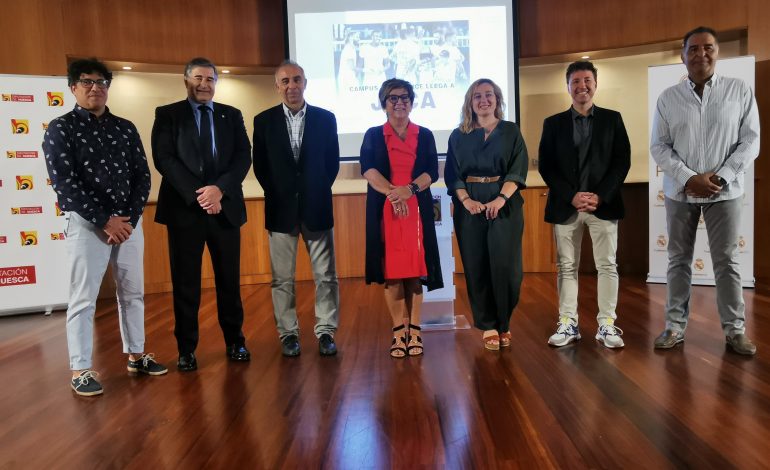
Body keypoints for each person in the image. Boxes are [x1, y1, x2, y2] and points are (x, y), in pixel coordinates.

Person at [42, 58, 167, 396]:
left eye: (101, 82)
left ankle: (137, 355)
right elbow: (64, 182)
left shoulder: (125, 127)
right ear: (73, 87)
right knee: (83, 299)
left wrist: (127, 220)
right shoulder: (60, 128)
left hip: (127, 223)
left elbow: (142, 176)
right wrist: (104, 220)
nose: (95, 88)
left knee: (133, 293)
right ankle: (81, 369)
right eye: (87, 82)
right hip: (87, 225)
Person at [651, 26, 760, 355]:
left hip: (725, 193)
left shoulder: (739, 91)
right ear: (683, 55)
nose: (701, 54)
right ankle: (674, 326)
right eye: (693, 49)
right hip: (680, 192)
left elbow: (750, 140)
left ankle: (735, 330)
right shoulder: (668, 98)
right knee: (678, 260)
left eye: (708, 48)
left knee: (726, 260)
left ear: (717, 52)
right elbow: (659, 146)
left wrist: (722, 176)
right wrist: (688, 177)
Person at [151, 57, 252, 371]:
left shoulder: (231, 115)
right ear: (186, 80)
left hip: (225, 210)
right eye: (198, 77)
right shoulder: (167, 115)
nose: (204, 84)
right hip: (186, 212)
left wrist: (219, 190)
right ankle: (186, 349)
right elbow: (164, 159)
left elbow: (242, 157)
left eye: (210, 78)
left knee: (229, 282)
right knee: (186, 284)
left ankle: (235, 341)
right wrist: (202, 195)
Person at [538, 61, 631, 349]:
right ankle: (568, 323)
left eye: (587, 80)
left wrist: (600, 195)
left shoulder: (612, 119)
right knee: (567, 267)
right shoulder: (553, 124)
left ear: (595, 83)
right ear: (568, 86)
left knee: (607, 265)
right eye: (576, 81)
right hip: (567, 206)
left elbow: (621, 162)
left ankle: (607, 324)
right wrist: (572, 196)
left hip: (603, 206)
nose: (582, 86)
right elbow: (547, 166)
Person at [253, 60, 341, 357]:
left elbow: (332, 165)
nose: (292, 86)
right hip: (280, 210)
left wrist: (312, 190)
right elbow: (261, 168)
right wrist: (284, 193)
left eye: (297, 79)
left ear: (305, 82)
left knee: (326, 276)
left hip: (317, 207)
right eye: (285, 81)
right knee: (282, 279)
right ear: (277, 86)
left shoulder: (326, 118)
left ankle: (326, 332)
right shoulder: (263, 121)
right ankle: (288, 335)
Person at [360, 78, 443, 358]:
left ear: (412, 101)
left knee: (415, 272)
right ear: (384, 103)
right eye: (393, 98)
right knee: (392, 274)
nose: (399, 102)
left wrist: (410, 190)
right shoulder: (373, 135)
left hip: (417, 211)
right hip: (385, 211)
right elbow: (369, 170)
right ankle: (399, 331)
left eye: (405, 97)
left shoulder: (426, 134)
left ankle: (415, 330)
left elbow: (432, 171)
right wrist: (394, 194)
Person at [444, 78, 528, 350]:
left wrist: (502, 198)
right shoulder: (458, 135)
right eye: (477, 96)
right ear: (470, 102)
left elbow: (518, 168)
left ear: (497, 99)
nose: (483, 100)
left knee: (507, 268)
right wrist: (466, 200)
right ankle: (489, 325)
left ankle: (505, 322)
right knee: (477, 265)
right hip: (470, 207)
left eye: (489, 95)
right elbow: (452, 174)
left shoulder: (511, 131)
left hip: (505, 205)